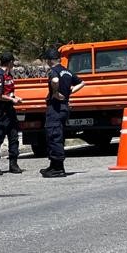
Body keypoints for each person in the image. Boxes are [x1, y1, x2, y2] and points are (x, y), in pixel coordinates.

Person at [41, 46, 86, 178]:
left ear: (50, 60)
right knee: (58, 135)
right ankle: (53, 165)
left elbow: (55, 80)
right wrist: (70, 91)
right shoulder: (67, 71)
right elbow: (82, 83)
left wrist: (55, 92)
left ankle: (58, 168)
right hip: (64, 107)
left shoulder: (53, 71)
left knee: (54, 136)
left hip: (55, 108)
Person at [0, 52, 24, 175]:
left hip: (10, 111)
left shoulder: (9, 76)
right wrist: (12, 99)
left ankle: (13, 164)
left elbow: (8, 93)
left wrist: (15, 97)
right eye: (13, 62)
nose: (13, 64)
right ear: (9, 62)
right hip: (0, 112)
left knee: (14, 137)